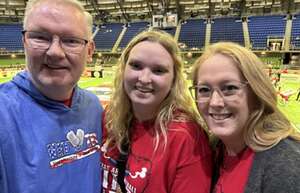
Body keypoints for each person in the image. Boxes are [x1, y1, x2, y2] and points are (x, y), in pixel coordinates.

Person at [0, 0, 103, 193]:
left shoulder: (93, 107)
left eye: (71, 40)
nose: (55, 52)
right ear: (24, 43)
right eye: (40, 37)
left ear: (89, 51)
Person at [101, 30, 212, 193]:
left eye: (158, 70)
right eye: (136, 66)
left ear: (174, 79)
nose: (144, 79)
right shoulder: (110, 115)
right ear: (123, 69)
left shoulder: (186, 138)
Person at [190, 42, 300, 193]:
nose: (215, 102)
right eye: (204, 90)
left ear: (256, 93)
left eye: (230, 88)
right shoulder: (214, 148)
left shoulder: (287, 164)